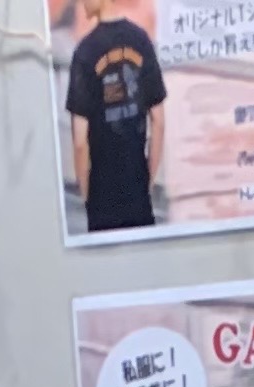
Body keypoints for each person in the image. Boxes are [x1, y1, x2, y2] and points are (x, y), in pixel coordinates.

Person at [66, 0, 166, 233]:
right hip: (138, 191)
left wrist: (87, 197)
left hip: (102, 198)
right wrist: (148, 181)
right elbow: (159, 121)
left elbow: (80, 142)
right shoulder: (141, 40)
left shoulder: (85, 52)